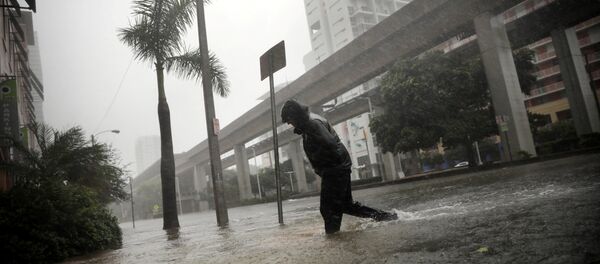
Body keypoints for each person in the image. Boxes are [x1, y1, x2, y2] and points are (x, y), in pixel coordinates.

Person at [281, 99, 397, 234]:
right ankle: (387, 217)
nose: (289, 123)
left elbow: (329, 144)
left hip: (335, 168)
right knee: (347, 206)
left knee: (328, 208)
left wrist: (325, 168)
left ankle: (333, 238)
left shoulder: (312, 124)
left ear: (296, 115)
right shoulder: (308, 123)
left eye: (289, 119)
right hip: (338, 166)